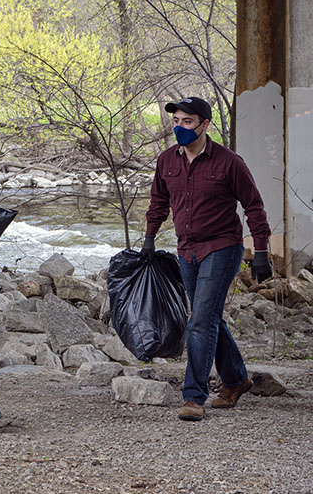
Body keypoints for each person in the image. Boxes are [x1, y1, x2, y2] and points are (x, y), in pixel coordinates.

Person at [143, 96, 272, 422]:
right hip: (186, 250)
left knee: (199, 321)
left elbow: (254, 206)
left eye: (187, 122)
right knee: (209, 318)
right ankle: (236, 379)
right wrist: (148, 238)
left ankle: (193, 396)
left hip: (222, 248)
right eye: (176, 122)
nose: (180, 128)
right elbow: (158, 201)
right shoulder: (166, 161)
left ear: (204, 124)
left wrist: (260, 252)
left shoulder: (229, 163)